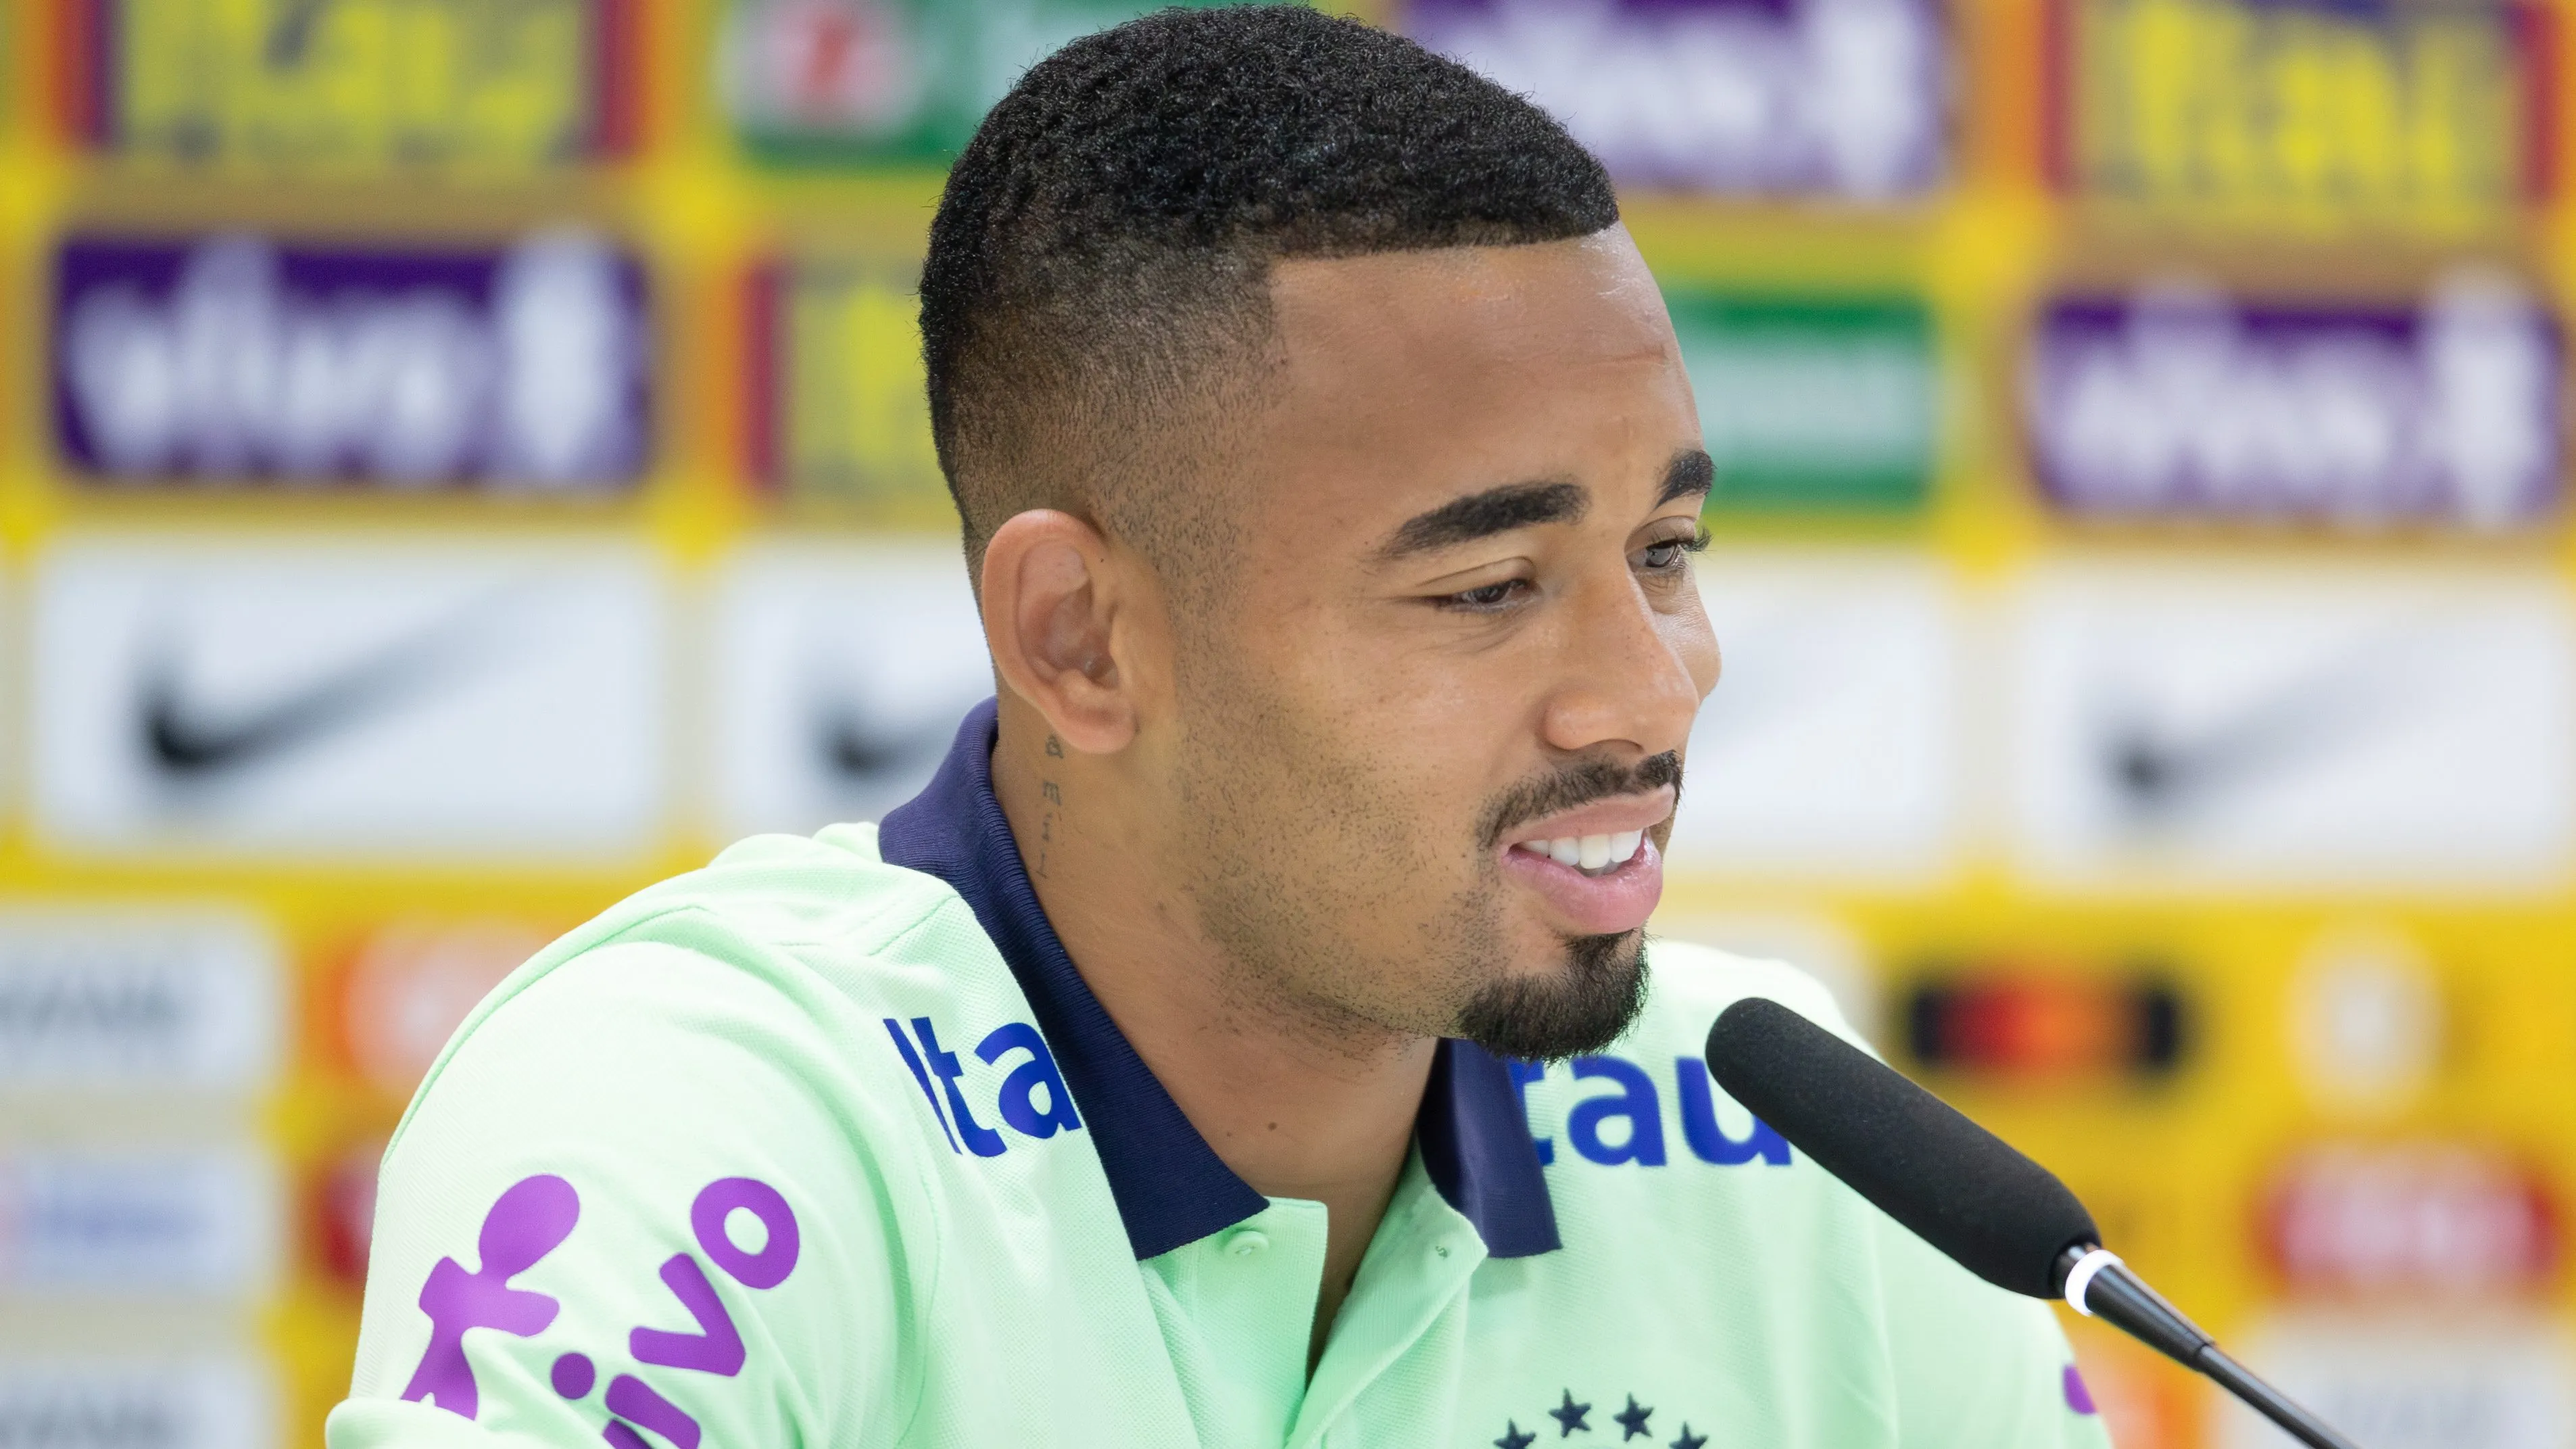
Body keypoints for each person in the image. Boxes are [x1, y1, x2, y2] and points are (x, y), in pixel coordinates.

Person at [328, 9, 2107, 1448]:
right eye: (1489, 586)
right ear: (1080, 639)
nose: (1653, 688)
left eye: (1667, 552)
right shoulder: (710, 1116)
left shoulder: (1796, 1154)